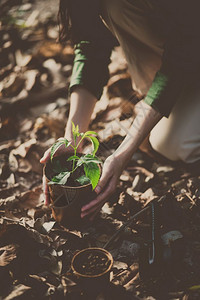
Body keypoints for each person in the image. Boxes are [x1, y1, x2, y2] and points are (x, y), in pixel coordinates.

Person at [40, 0, 200, 221]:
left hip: (189, 48)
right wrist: (72, 139)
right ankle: (166, 99)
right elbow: (90, 44)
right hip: (182, 64)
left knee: (180, 144)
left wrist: (123, 154)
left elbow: (183, 51)